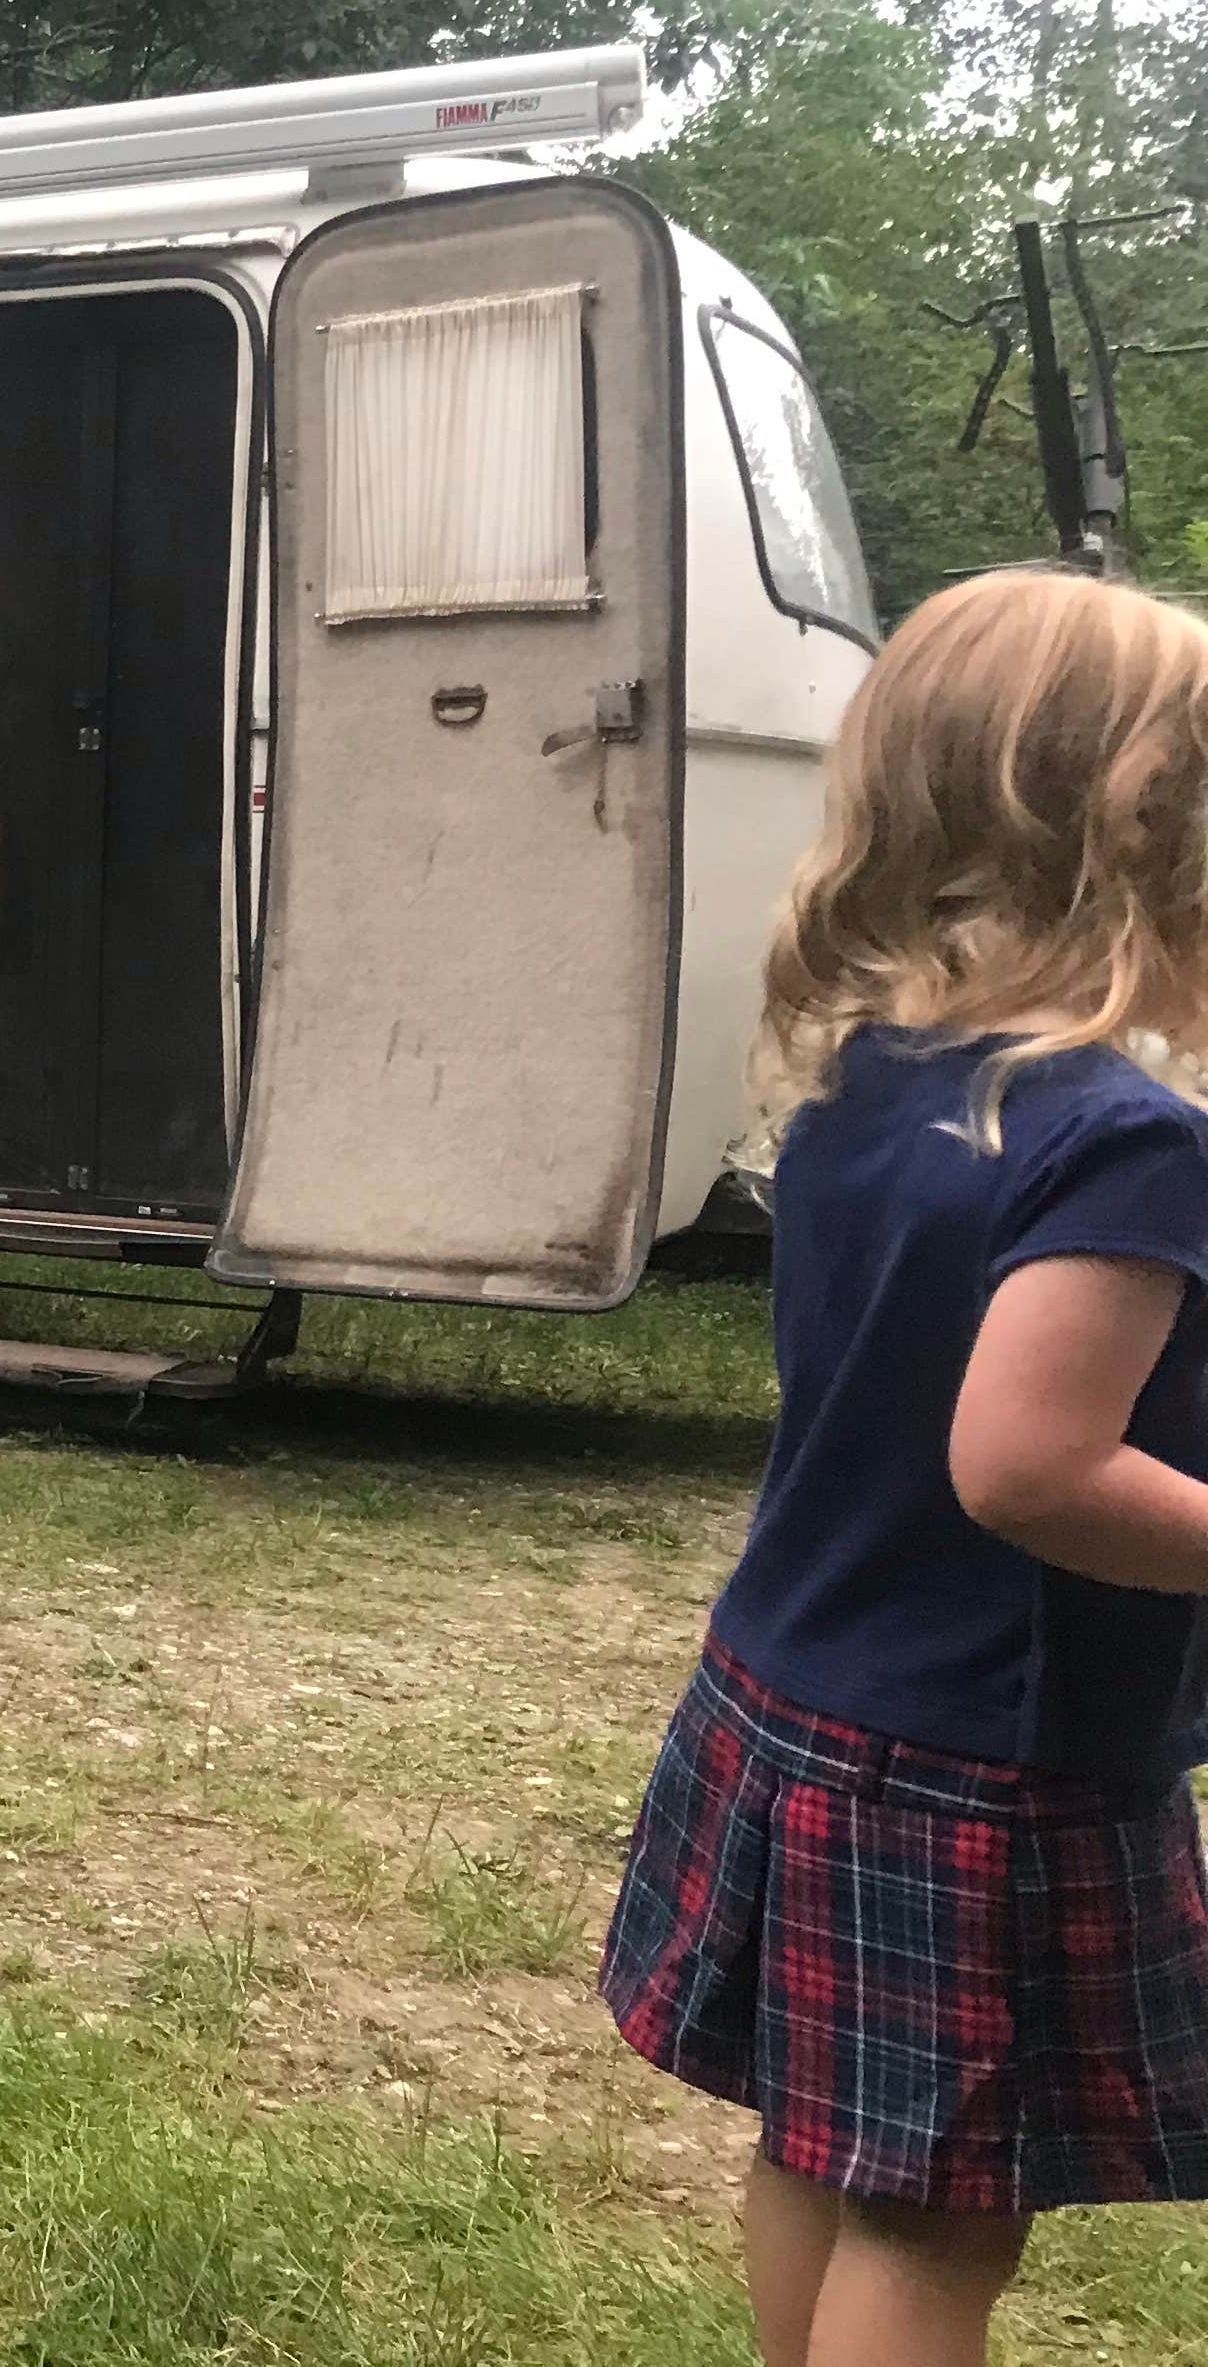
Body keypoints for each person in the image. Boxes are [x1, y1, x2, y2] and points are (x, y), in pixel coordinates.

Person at [604, 568, 1208, 2367]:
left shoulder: (883, 1071)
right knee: (943, 2226)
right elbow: (1028, 1465)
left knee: (834, 2136)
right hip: (979, 1764)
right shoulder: (1125, 1140)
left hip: (798, 1692)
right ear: (1152, 845)